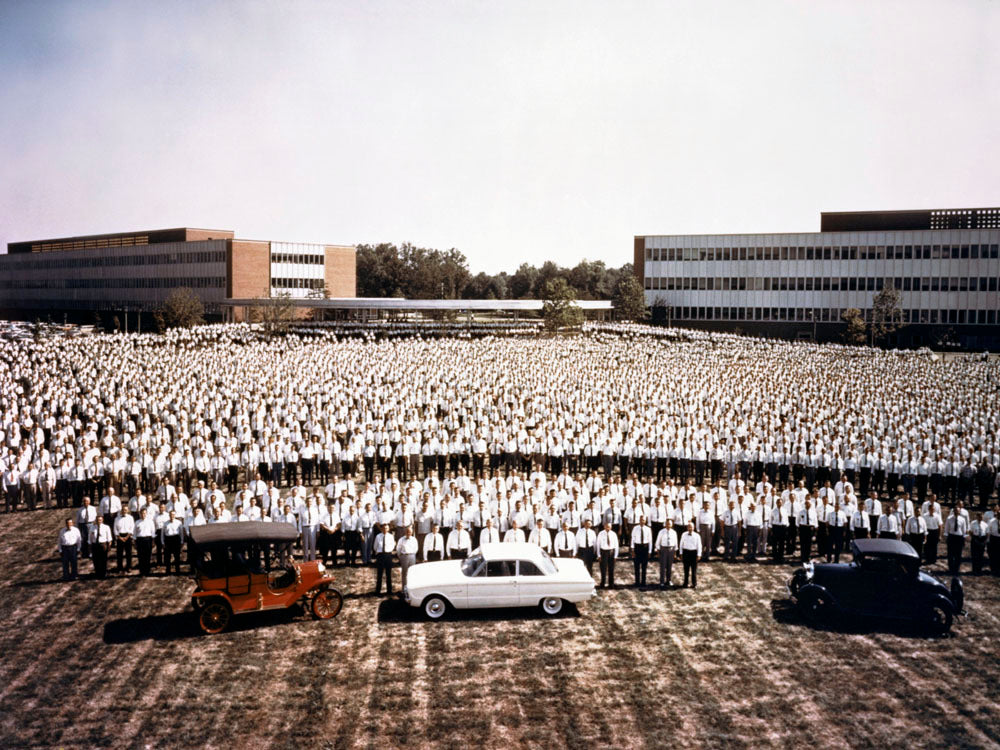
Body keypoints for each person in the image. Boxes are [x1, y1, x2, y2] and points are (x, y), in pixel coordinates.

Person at [944, 506, 968, 575]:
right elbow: (946, 529)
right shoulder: (949, 518)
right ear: (953, 511)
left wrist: (963, 539)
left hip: (959, 538)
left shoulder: (962, 519)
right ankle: (951, 569)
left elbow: (964, 530)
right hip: (952, 537)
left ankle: (956, 569)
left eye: (958, 511)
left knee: (958, 554)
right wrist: (947, 538)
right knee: (950, 554)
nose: (957, 512)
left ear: (960, 512)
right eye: (955, 511)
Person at [373, 523, 396, 595]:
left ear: (388, 529)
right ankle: (378, 591)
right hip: (380, 555)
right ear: (381, 529)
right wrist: (379, 552)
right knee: (379, 574)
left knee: (388, 574)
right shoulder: (378, 536)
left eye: (386, 528)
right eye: (384, 528)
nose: (385, 530)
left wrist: (388, 551)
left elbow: (393, 545)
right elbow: (375, 546)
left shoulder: (391, 536)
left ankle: (389, 591)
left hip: (388, 555)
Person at [654, 518, 678, 589]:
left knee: (669, 566)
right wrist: (658, 551)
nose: (668, 525)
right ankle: (662, 581)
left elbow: (676, 543)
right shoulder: (661, 532)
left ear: (672, 525)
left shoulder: (674, 532)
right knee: (663, 566)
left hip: (671, 549)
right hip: (663, 550)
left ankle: (668, 580)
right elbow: (657, 542)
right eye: (667, 524)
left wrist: (675, 552)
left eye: (669, 524)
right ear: (665, 524)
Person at [631, 516, 652, 587]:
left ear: (645, 521)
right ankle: (637, 582)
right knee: (636, 565)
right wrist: (632, 550)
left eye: (643, 520)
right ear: (639, 520)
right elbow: (632, 539)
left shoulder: (648, 529)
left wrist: (649, 551)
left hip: (645, 548)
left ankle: (643, 582)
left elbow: (650, 541)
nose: (642, 521)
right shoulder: (635, 528)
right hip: (637, 547)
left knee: (644, 566)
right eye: (640, 520)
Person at [679, 521, 702, 588]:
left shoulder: (697, 536)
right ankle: (685, 583)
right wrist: (681, 553)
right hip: (686, 552)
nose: (690, 528)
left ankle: (694, 584)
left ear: (693, 528)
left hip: (694, 553)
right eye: (689, 527)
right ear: (687, 528)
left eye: (691, 527)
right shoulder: (683, 534)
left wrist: (699, 554)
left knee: (694, 570)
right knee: (686, 569)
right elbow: (681, 544)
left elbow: (699, 545)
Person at [162, 510, 184, 575]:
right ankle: (168, 570)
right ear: (169, 515)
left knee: (177, 556)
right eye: (171, 514)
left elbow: (181, 533)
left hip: (176, 539)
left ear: (175, 515)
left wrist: (182, 541)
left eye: (173, 514)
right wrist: (163, 542)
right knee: (167, 556)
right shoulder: (165, 523)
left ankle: (177, 571)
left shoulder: (179, 523)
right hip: (168, 540)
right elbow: (162, 534)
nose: (172, 516)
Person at [596, 521, 618, 589]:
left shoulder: (613, 534)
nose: (608, 528)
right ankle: (602, 583)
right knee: (603, 568)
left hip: (611, 552)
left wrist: (615, 556)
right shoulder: (600, 534)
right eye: (606, 526)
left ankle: (611, 584)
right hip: (603, 552)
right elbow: (598, 545)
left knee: (611, 569)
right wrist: (599, 555)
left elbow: (616, 545)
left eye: (609, 526)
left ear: (611, 527)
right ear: (604, 526)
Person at [89, 514, 112, 579]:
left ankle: (103, 574)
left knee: (103, 560)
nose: (99, 521)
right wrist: (90, 546)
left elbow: (109, 538)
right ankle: (97, 573)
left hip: (103, 545)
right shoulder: (92, 527)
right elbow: (90, 538)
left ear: (102, 520)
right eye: (98, 520)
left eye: (100, 520)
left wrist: (109, 546)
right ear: (96, 520)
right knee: (96, 560)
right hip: (95, 545)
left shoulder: (106, 527)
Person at [134, 507, 156, 576]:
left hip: (148, 540)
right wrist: (134, 543)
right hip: (140, 540)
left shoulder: (150, 521)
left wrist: (153, 541)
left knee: (147, 556)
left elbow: (153, 532)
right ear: (140, 514)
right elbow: (135, 533)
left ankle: (147, 571)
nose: (143, 515)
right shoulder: (137, 522)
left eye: (144, 513)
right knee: (140, 556)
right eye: (142, 513)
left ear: (146, 514)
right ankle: (142, 571)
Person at [396, 526, 419, 591]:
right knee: (405, 573)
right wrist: (401, 556)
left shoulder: (414, 539)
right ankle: (404, 589)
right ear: (405, 532)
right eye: (407, 532)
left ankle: (412, 589)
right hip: (404, 556)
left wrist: (412, 554)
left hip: (412, 556)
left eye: (410, 532)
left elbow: (416, 548)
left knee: (412, 572)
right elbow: (398, 549)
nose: (408, 533)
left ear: (412, 532)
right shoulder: (401, 539)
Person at [114, 508, 135, 573]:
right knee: (119, 554)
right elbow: (115, 529)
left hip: (128, 536)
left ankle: (129, 567)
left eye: (126, 510)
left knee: (128, 553)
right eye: (123, 510)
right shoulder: (117, 518)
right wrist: (119, 537)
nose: (124, 511)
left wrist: (128, 536)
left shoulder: (130, 518)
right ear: (121, 511)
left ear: (128, 510)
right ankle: (120, 567)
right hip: (120, 536)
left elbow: (132, 527)